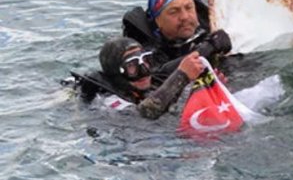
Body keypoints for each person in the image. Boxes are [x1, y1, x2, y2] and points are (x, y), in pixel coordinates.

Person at [122, 0, 231, 82]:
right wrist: (208, 48)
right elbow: (156, 77)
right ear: (157, 21)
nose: (184, 16)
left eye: (189, 8)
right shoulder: (143, 51)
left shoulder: (211, 27)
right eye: (174, 12)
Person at [73, 37, 205, 119]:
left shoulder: (146, 85)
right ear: (116, 72)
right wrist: (181, 76)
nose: (144, 71)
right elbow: (144, 115)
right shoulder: (106, 101)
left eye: (145, 60)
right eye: (132, 65)